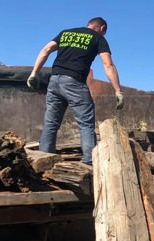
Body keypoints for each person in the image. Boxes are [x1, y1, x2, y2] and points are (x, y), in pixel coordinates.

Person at [27, 17, 123, 165]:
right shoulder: (98, 38)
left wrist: (34, 73)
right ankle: (89, 162)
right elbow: (108, 64)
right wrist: (117, 90)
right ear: (102, 28)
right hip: (74, 82)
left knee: (51, 122)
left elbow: (46, 50)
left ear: (89, 24)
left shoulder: (66, 33)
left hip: (54, 81)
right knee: (85, 123)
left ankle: (43, 160)